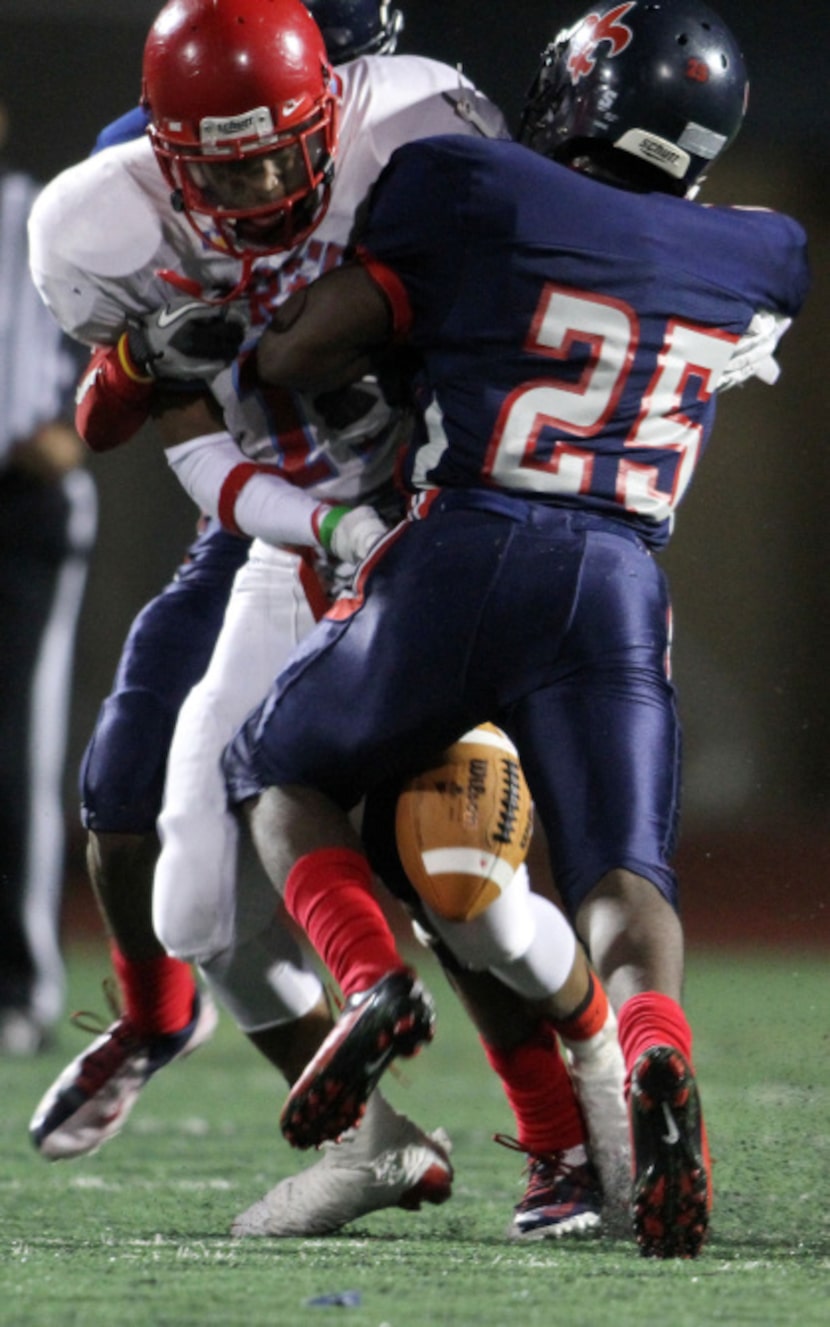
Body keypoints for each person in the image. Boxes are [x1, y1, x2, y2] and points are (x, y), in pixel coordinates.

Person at [208, 0, 808, 1259]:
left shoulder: (470, 185)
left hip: (473, 540)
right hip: (623, 579)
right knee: (623, 880)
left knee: (277, 771)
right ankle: (652, 1053)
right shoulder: (762, 252)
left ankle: (367, 977)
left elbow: (300, 358)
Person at [28, 0, 629, 1244]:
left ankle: (591, 1108)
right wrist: (140, 370)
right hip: (286, 533)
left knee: (453, 858)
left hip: (453, 523)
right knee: (187, 891)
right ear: (167, 141)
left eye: (278, 144)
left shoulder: (418, 132)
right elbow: (147, 431)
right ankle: (373, 1131)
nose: (252, 185)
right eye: (217, 162)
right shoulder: (108, 211)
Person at [0, 100, 98, 1056]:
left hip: (20, 501)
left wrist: (74, 420)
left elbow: (113, 325)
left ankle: (21, 984)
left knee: (18, 749)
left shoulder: (38, 211)